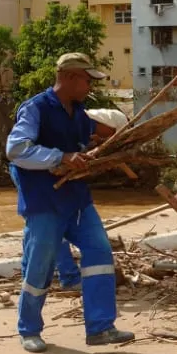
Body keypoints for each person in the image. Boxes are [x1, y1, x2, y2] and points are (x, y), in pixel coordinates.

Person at [5, 53, 134, 353]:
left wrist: (99, 151)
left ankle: (101, 328)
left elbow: (87, 139)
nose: (90, 86)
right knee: (41, 265)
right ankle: (29, 330)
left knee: (100, 252)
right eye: (87, 80)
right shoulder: (36, 108)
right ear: (71, 77)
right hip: (44, 200)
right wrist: (60, 157)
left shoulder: (79, 112)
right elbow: (16, 149)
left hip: (76, 198)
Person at [51, 108, 129, 289]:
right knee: (54, 230)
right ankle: (69, 277)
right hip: (47, 184)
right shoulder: (71, 124)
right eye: (112, 134)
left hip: (70, 187)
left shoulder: (87, 130)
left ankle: (85, 278)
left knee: (61, 230)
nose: (110, 139)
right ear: (106, 125)